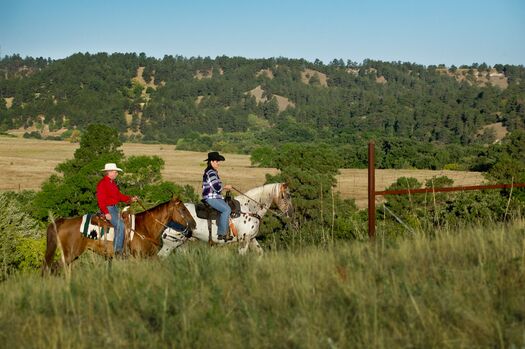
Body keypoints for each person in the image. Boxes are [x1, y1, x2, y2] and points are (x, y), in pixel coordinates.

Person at [96, 163, 138, 257]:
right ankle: (117, 251)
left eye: (116, 172)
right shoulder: (102, 184)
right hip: (108, 209)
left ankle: (124, 248)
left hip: (114, 208)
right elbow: (101, 200)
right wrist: (106, 213)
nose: (116, 174)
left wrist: (130, 199)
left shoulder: (112, 183)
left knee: (128, 223)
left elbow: (119, 196)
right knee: (121, 226)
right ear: (109, 172)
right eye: (115, 172)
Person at [202, 151, 233, 241]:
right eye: (216, 161)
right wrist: (225, 187)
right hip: (211, 197)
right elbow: (216, 187)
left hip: (215, 197)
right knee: (227, 209)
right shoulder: (211, 172)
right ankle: (222, 233)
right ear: (211, 162)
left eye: (218, 161)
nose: (218, 163)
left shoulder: (212, 172)